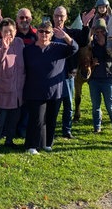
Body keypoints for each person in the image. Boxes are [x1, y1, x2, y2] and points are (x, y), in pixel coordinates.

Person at [23, 21, 78, 155]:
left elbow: (75, 48)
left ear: (52, 34)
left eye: (47, 32)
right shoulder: (28, 50)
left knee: (51, 119)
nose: (44, 34)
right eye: (41, 31)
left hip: (55, 91)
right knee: (36, 118)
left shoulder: (59, 48)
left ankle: (48, 143)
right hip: (35, 90)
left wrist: (66, 36)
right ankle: (32, 145)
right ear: (37, 33)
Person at [51, 6, 94, 139]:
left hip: (68, 74)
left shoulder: (72, 33)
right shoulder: (47, 33)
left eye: (61, 16)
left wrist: (86, 25)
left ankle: (66, 130)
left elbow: (84, 41)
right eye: (57, 15)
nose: (59, 19)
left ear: (66, 17)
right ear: (53, 17)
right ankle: (50, 130)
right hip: (52, 76)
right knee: (53, 105)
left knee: (68, 104)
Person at [0, 18, 25, 149]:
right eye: (5, 32)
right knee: (0, 119)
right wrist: (5, 49)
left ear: (15, 31)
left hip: (18, 89)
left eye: (11, 31)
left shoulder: (19, 43)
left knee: (14, 118)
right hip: (3, 89)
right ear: (1, 32)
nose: (8, 34)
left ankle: (9, 141)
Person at [88, 19, 112, 138]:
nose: (99, 33)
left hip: (108, 78)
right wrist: (92, 63)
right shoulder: (92, 44)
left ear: (105, 30)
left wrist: (111, 53)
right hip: (94, 79)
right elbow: (87, 60)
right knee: (95, 106)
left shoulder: (111, 42)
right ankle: (97, 127)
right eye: (97, 31)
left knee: (110, 106)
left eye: (101, 30)